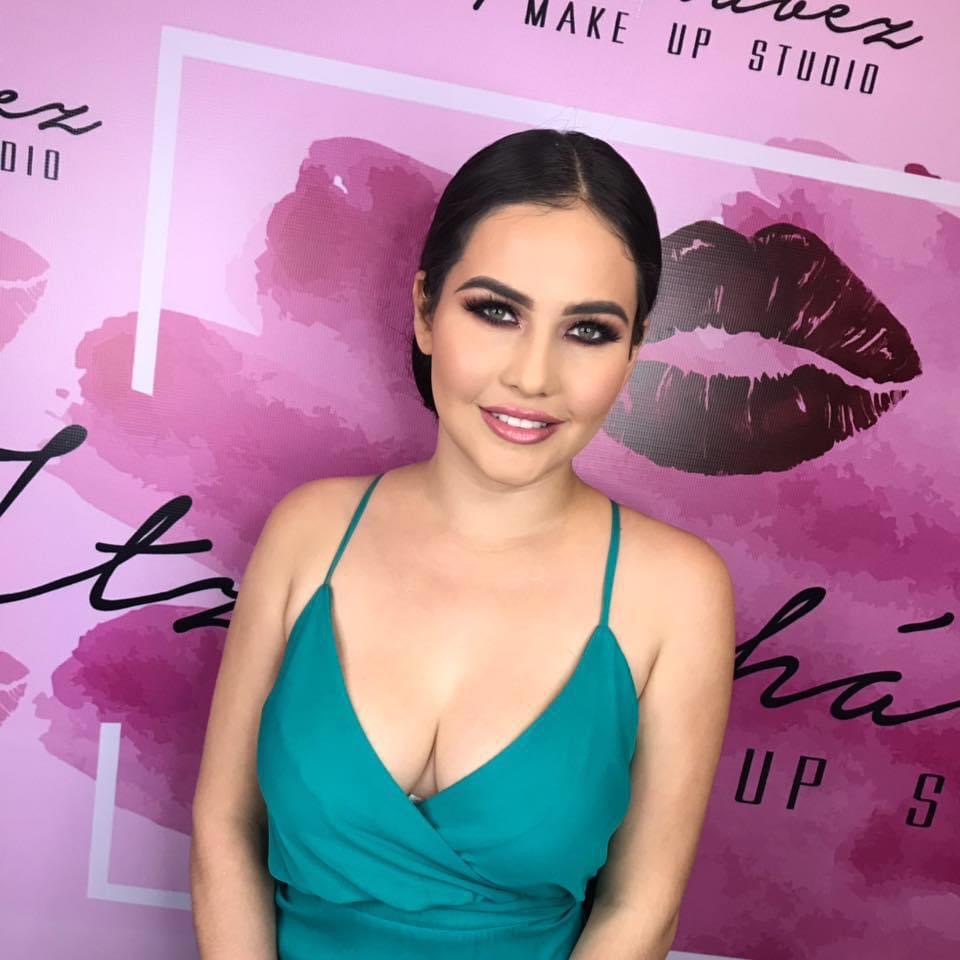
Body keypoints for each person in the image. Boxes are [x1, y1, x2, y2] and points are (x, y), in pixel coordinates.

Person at [190, 128, 735, 960]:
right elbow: (225, 828)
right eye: (496, 311)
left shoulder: (679, 591)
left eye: (588, 330)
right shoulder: (309, 532)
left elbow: (641, 909)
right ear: (424, 311)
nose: (532, 376)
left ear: (632, 353)